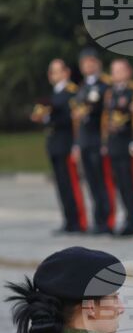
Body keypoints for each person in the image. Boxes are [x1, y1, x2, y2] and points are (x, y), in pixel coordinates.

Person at [31, 59, 86, 234]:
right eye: (51, 72)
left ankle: (79, 221)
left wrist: (76, 145)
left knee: (71, 185)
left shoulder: (72, 92)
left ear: (66, 72)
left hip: (66, 143)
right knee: (62, 185)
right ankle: (69, 221)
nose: (53, 75)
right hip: (54, 144)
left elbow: (74, 120)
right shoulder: (54, 93)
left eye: (56, 71)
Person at [73, 48, 114, 234]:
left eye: (91, 62)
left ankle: (108, 220)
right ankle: (98, 219)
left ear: (98, 63)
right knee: (91, 182)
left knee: (103, 180)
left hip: (99, 139)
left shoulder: (106, 85)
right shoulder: (82, 87)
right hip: (85, 140)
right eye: (84, 63)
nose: (88, 66)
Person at [103, 58, 133, 236]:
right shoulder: (111, 93)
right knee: (120, 184)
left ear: (128, 72)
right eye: (114, 71)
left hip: (128, 142)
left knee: (130, 183)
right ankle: (127, 218)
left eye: (120, 71)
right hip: (114, 143)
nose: (116, 75)